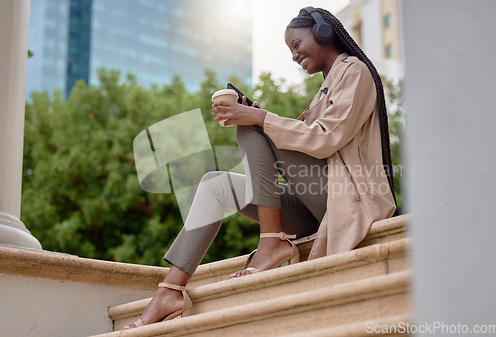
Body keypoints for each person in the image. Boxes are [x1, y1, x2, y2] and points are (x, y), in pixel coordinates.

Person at [124, 6, 397, 329]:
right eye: (290, 50)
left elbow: (325, 139)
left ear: (324, 32)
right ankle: (169, 291)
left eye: (296, 44)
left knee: (253, 126)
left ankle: (272, 242)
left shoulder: (354, 71)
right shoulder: (326, 87)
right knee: (216, 184)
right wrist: (257, 116)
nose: (294, 56)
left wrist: (259, 119)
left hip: (346, 199)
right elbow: (300, 147)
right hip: (314, 205)